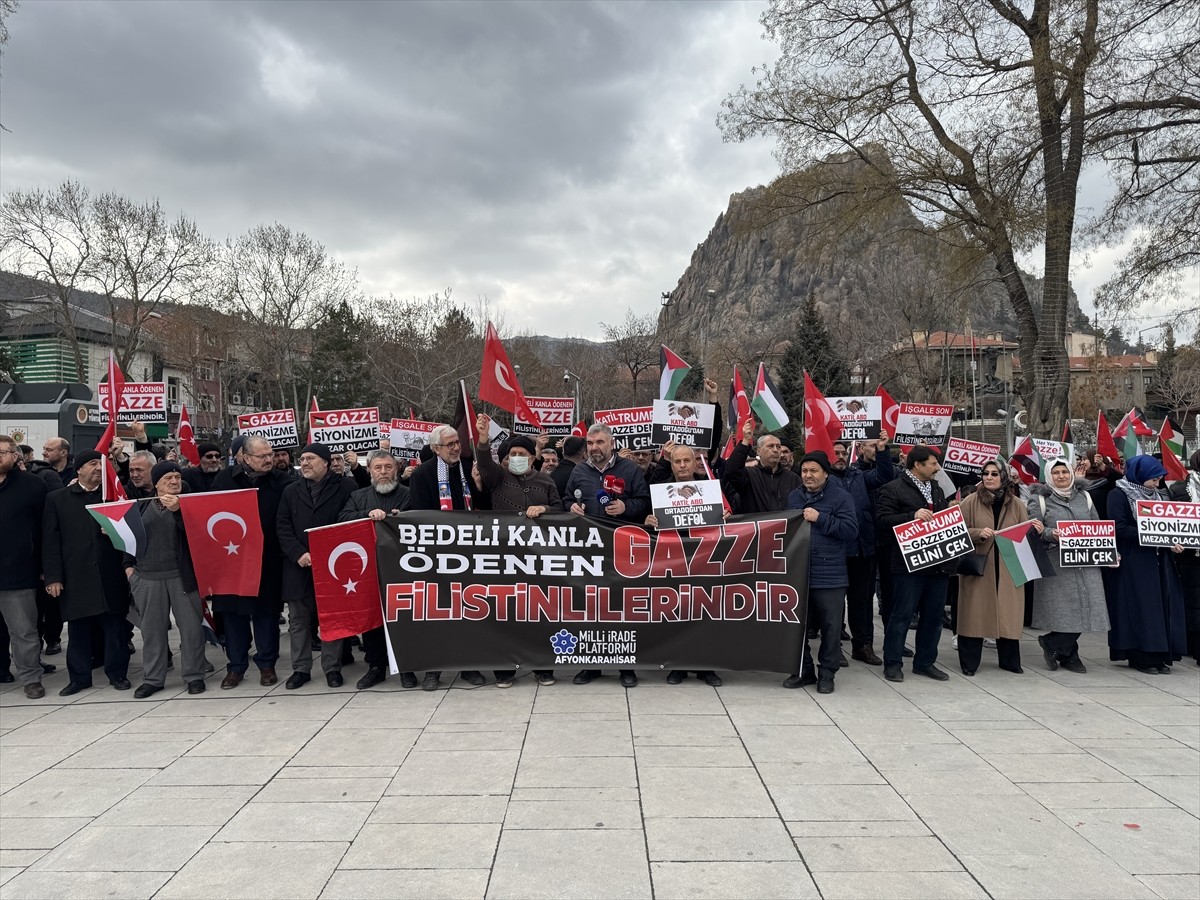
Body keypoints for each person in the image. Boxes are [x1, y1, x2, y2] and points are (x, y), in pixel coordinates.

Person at [474, 417, 560, 687]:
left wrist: (545, 510)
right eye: (513, 454)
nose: (517, 458)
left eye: (522, 454)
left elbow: (561, 509)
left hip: (539, 559)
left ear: (532, 458)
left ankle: (543, 668)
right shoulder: (498, 479)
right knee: (506, 614)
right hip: (505, 557)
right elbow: (485, 463)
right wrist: (484, 438)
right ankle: (504, 671)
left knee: (539, 614)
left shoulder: (546, 482)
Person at [564, 422, 651, 687]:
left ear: (611, 443)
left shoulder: (630, 469)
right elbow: (566, 498)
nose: (594, 448)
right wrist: (571, 508)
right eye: (590, 443)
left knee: (620, 608)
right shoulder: (579, 470)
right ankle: (591, 666)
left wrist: (626, 506)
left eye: (599, 442)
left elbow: (646, 502)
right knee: (590, 608)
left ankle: (626, 667)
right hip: (589, 550)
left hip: (621, 549)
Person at [42, 450, 133, 695]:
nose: (98, 469)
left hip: (110, 574)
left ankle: (118, 674)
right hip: (76, 576)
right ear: (79, 468)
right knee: (78, 630)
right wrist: (53, 577)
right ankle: (79, 678)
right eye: (93, 464)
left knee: (114, 627)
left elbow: (131, 533)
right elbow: (50, 541)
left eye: (101, 465)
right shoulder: (57, 499)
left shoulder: (113, 498)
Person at [407, 425, 488, 690]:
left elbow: (484, 507)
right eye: (449, 444)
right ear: (435, 449)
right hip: (437, 555)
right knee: (438, 614)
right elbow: (420, 516)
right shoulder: (422, 474)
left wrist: (477, 483)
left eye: (457, 442)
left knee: (468, 611)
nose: (455, 447)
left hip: (469, 554)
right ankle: (434, 669)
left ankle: (469, 665)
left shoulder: (467, 466)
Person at [644, 443, 725, 687]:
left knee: (704, 614)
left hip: (704, 561)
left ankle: (705, 667)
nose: (682, 466)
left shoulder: (710, 489)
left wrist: (725, 517)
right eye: (677, 461)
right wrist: (647, 520)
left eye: (686, 461)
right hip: (673, 561)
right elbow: (647, 520)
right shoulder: (659, 491)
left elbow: (730, 517)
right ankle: (677, 665)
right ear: (671, 463)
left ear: (695, 462)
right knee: (676, 615)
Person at [212, 435, 290, 690]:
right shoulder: (224, 481)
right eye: (263, 456)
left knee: (266, 614)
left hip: (267, 559)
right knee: (234, 616)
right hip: (232, 559)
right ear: (245, 458)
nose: (270, 459)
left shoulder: (283, 482)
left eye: (271, 454)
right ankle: (235, 666)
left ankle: (267, 663)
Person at [277, 443, 357, 689]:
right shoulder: (291, 490)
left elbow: (350, 522)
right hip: (298, 566)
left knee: (332, 619)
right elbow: (283, 526)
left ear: (325, 462)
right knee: (298, 621)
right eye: (303, 459)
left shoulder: (347, 487)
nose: (306, 463)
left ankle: (332, 668)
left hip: (333, 566)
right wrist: (298, 553)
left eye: (311, 458)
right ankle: (301, 669)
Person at [125, 461, 209, 698]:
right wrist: (128, 567)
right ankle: (153, 678)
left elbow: (199, 534)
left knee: (191, 629)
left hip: (181, 577)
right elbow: (130, 536)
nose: (174, 482)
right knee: (152, 631)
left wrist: (179, 512)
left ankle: (194, 676)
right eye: (168, 478)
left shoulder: (190, 504)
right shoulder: (142, 505)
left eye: (177, 477)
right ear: (157, 483)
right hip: (148, 578)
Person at [956, 460, 1041, 676]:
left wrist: (1035, 529)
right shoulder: (970, 501)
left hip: (1009, 567)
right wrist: (977, 533)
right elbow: (956, 532)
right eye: (985, 473)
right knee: (974, 615)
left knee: (1008, 615)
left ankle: (1010, 660)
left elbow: (1024, 535)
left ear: (1003, 476)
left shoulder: (1017, 504)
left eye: (995, 473)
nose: (989, 477)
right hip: (979, 567)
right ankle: (969, 661)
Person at [876, 446, 953, 682]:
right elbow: (881, 521)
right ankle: (893, 663)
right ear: (917, 465)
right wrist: (911, 517)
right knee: (902, 615)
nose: (937, 468)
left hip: (937, 563)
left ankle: (925, 662)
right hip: (908, 565)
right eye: (932, 463)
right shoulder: (893, 489)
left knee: (933, 616)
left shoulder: (937, 488)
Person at [1027, 458, 1111, 673]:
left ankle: (1054, 644)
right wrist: (1050, 534)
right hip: (1058, 563)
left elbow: (1098, 527)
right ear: (1049, 476)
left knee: (1090, 608)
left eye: (1065, 471)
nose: (1062, 476)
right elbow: (1034, 529)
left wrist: (1110, 552)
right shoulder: (1040, 500)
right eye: (1056, 473)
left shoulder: (1085, 497)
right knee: (1066, 611)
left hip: (1087, 561)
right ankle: (1070, 655)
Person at [784, 452, 859, 693]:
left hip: (830, 575)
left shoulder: (840, 497)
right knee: (798, 627)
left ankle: (827, 673)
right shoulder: (794, 497)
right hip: (799, 573)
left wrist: (821, 518)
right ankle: (804, 670)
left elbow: (850, 530)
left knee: (831, 627)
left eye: (813, 470)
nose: (808, 475)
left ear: (825, 473)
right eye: (804, 471)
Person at [339, 450, 413, 690]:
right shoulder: (358, 496)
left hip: (403, 569)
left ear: (397, 469)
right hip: (368, 569)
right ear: (369, 469)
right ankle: (376, 667)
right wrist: (366, 515)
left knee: (403, 619)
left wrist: (402, 518)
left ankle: (406, 667)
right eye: (378, 467)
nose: (383, 472)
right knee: (373, 621)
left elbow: (422, 518)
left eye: (388, 467)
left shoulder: (409, 495)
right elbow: (343, 519)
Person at [1107, 455, 1187, 673]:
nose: (1157, 484)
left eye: (1159, 479)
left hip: (1160, 560)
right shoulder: (1119, 495)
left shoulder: (1159, 496)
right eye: (1153, 479)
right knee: (1141, 607)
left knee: (1161, 607)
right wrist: (1153, 535)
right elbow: (1119, 527)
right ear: (1140, 475)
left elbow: (1170, 527)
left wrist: (1174, 540)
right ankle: (1141, 655)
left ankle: (1160, 653)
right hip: (1134, 561)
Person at [830, 437, 896, 666]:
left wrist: (882, 450)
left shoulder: (858, 476)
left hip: (862, 548)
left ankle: (862, 645)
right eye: (834, 453)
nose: (838, 457)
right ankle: (833, 646)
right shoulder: (824, 480)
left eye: (842, 453)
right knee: (834, 601)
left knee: (862, 600)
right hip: (836, 551)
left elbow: (885, 476)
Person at [0, 434, 51, 699]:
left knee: (24, 630)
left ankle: (31, 677)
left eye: (2, 453)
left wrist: (45, 565)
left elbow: (45, 530)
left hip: (18, 572)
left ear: (15, 456)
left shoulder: (33, 486)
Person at [722, 420, 802, 513]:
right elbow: (731, 470)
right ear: (759, 451)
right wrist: (745, 442)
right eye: (770, 446)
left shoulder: (793, 478)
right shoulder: (749, 476)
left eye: (778, 447)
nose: (776, 450)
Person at [1167, 450, 1200, 661]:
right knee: (1194, 601)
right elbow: (1169, 523)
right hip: (1189, 556)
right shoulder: (1179, 490)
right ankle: (1194, 645)